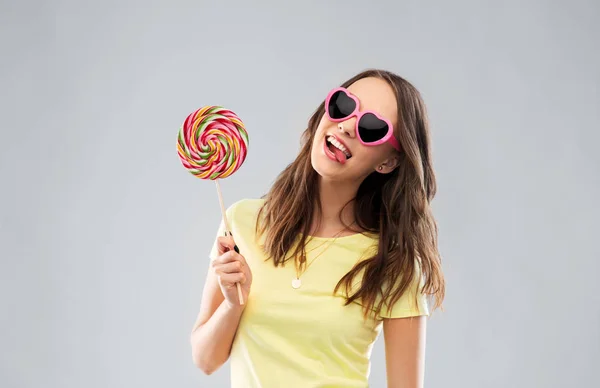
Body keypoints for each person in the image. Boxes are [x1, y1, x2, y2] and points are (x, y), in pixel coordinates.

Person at [190, 68, 446, 387]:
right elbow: (205, 360)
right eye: (343, 105)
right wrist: (233, 305)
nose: (348, 125)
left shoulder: (393, 263)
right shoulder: (241, 222)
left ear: (388, 161)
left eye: (371, 127)